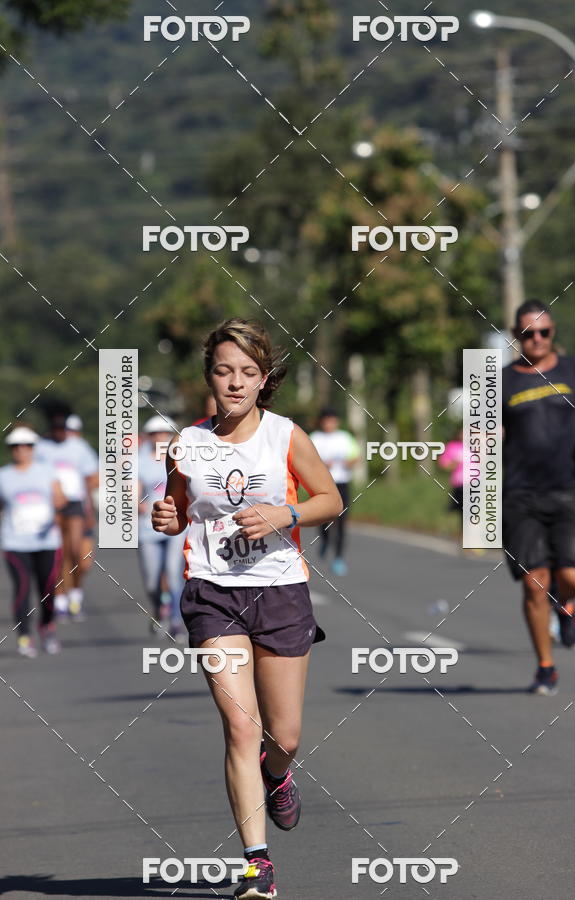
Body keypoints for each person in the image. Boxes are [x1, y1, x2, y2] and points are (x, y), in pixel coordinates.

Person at [151, 318, 342, 900]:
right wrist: (168, 518)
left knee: (283, 735)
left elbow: (330, 499)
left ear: (264, 380)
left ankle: (278, 774)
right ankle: (257, 866)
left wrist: (284, 515)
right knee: (241, 726)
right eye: (224, 371)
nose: (235, 383)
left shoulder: (286, 436)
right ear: (209, 376)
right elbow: (178, 508)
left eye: (248, 373)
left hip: (280, 590)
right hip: (212, 592)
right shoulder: (188, 442)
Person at [502, 299, 575, 695]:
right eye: (528, 333)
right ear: (516, 336)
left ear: (553, 332)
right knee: (532, 584)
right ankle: (546, 667)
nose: (537, 339)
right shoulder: (500, 380)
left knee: (574, 578)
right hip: (518, 495)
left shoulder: (574, 368)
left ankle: (567, 604)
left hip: (567, 490)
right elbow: (479, 433)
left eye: (543, 332)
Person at [0, 426, 65, 657]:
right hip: (15, 543)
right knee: (22, 587)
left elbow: (60, 497)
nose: (21, 450)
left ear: (33, 448)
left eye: (27, 446)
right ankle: (24, 636)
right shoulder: (4, 476)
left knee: (47, 588)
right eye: (16, 447)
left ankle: (47, 628)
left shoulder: (46, 472)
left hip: (46, 540)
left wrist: (58, 503)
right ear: (11, 450)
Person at [35, 414, 97, 620]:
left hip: (75, 504)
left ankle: (76, 592)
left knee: (77, 552)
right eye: (57, 429)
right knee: (59, 554)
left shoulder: (78, 446)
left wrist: (89, 507)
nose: (60, 433)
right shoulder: (42, 448)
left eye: (64, 429)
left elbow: (91, 477)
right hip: (51, 505)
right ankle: (61, 599)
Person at [138, 415, 186, 641]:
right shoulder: (139, 460)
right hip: (148, 527)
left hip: (176, 525)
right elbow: (132, 490)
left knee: (173, 572)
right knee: (151, 580)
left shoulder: (181, 457)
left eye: (164, 433)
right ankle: (159, 609)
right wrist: (136, 503)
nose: (160, 438)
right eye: (155, 434)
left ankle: (176, 621)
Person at [309, 407, 358, 575]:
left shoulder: (344, 437)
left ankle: (338, 557)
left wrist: (348, 463)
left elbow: (356, 456)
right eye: (326, 420)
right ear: (322, 422)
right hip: (321, 484)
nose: (329, 424)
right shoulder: (315, 438)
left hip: (342, 483)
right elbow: (307, 461)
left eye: (332, 420)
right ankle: (324, 540)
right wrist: (322, 465)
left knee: (342, 522)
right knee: (323, 518)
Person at [66, 414, 99, 586]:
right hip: (58, 512)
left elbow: (95, 478)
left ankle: (75, 590)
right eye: (67, 430)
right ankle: (62, 598)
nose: (70, 434)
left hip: (81, 509)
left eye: (74, 431)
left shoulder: (83, 449)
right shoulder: (47, 448)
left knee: (83, 560)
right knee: (62, 557)